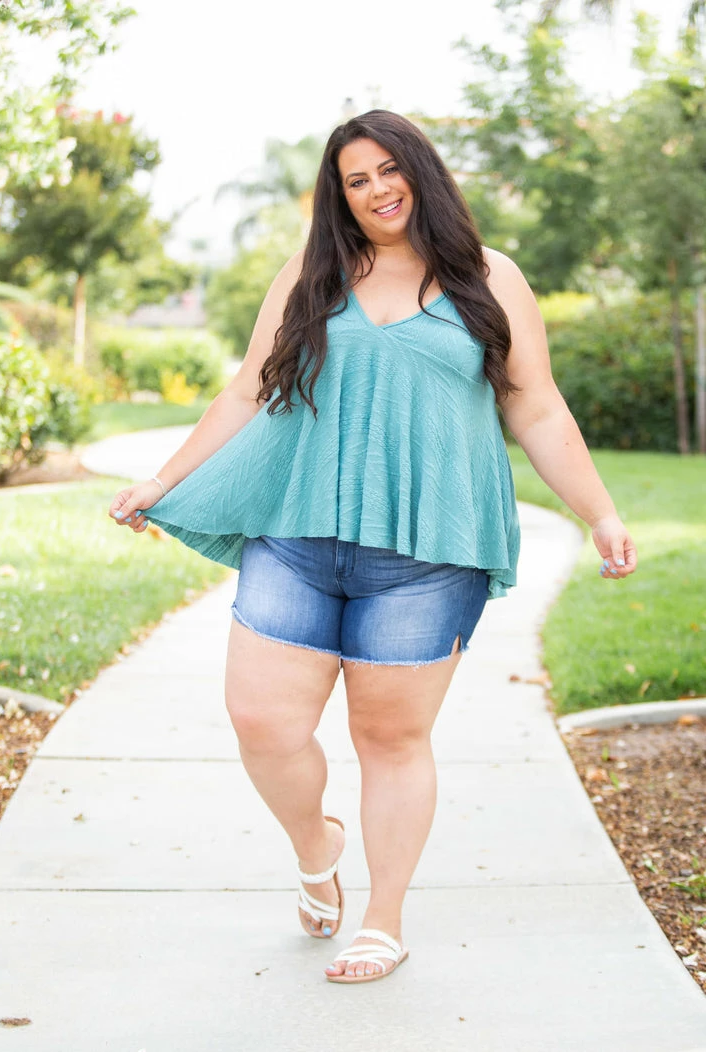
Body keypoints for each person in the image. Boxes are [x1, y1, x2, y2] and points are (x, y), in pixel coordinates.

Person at [109, 109, 637, 985]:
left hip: (427, 552)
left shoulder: (489, 277)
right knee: (263, 722)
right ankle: (315, 846)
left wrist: (600, 513)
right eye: (356, 180)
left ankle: (382, 919)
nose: (377, 190)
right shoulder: (312, 272)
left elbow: (536, 406)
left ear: (420, 172)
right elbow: (246, 391)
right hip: (297, 532)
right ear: (339, 195)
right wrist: (162, 481)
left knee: (389, 736)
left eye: (389, 170)